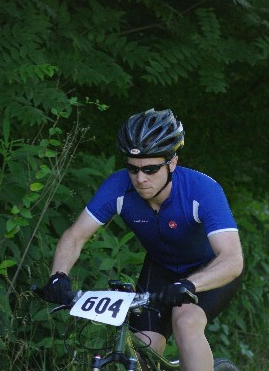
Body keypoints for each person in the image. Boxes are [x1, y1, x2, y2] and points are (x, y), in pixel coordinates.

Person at [40, 108, 243, 371]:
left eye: (150, 168)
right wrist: (58, 276)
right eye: (133, 169)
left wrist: (190, 284)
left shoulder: (202, 190)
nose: (140, 178)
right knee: (142, 346)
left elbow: (232, 259)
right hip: (161, 270)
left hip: (209, 272)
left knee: (186, 322)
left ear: (172, 163)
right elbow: (75, 236)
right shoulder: (118, 187)